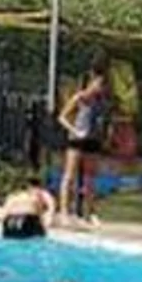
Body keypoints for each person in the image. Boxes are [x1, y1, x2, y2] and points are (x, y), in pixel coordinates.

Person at [56, 65, 111, 224]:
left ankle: (90, 213)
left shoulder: (101, 102)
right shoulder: (79, 98)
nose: (101, 87)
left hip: (92, 139)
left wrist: (104, 136)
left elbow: (103, 121)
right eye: (99, 84)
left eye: (103, 85)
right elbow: (62, 117)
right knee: (69, 175)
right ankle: (64, 212)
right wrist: (74, 130)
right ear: (91, 83)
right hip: (76, 139)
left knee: (90, 177)